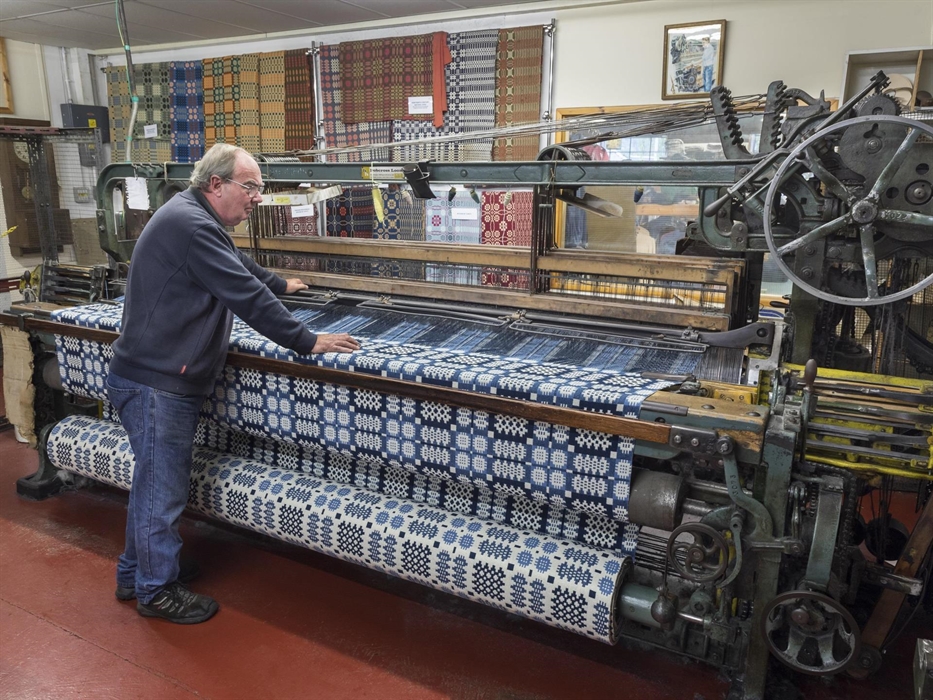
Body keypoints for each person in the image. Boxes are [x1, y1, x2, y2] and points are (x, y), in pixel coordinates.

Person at [107, 143, 360, 624]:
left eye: (261, 189)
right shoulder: (192, 224)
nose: (258, 198)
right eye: (251, 187)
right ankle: (156, 590)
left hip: (147, 375)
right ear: (216, 184)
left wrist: (279, 283)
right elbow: (242, 294)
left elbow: (239, 268)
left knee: (150, 484)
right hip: (157, 384)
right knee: (162, 491)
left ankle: (134, 572)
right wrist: (306, 340)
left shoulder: (193, 217)